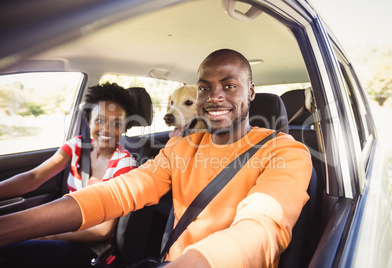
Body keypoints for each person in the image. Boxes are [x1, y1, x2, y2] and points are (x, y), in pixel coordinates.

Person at [0, 49, 312, 268]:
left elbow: (261, 226)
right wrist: (9, 228)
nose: (215, 96)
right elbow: (120, 191)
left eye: (229, 85)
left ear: (251, 92)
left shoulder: (285, 151)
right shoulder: (180, 149)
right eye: (205, 88)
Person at [0, 82, 138, 267]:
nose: (106, 129)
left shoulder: (125, 164)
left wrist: (47, 234)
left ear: (124, 128)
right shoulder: (76, 146)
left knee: (9, 252)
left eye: (117, 123)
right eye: (99, 120)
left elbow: (102, 231)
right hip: (66, 226)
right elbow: (33, 178)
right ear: (88, 120)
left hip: (91, 245)